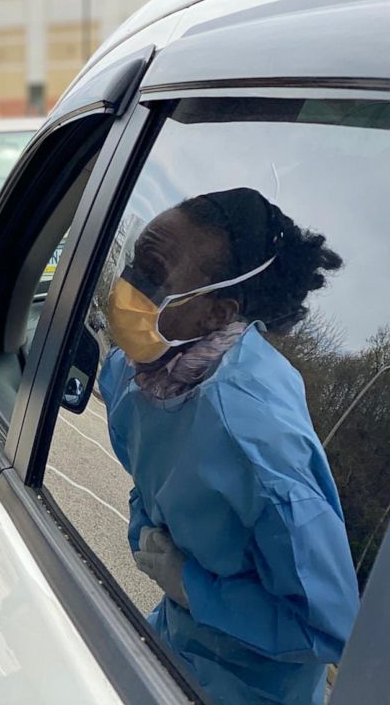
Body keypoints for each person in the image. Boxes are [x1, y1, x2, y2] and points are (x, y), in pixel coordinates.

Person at [100, 188, 359, 704]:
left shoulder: (259, 442)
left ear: (218, 314)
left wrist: (194, 587)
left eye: (152, 276)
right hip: (168, 646)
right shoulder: (133, 373)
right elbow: (148, 479)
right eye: (134, 266)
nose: (130, 287)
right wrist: (147, 535)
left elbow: (331, 627)